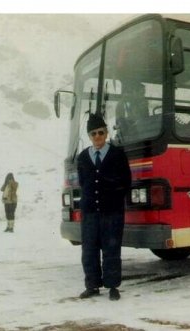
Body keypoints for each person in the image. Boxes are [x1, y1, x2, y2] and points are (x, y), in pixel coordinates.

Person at [77, 112, 131, 301]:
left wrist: (114, 200)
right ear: (89, 136)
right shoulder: (83, 157)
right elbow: (83, 183)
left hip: (112, 212)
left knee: (111, 249)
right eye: (93, 134)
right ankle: (92, 286)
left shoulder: (117, 154)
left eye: (101, 132)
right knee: (89, 250)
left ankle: (112, 287)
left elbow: (126, 181)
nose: (98, 136)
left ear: (107, 133)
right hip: (90, 212)